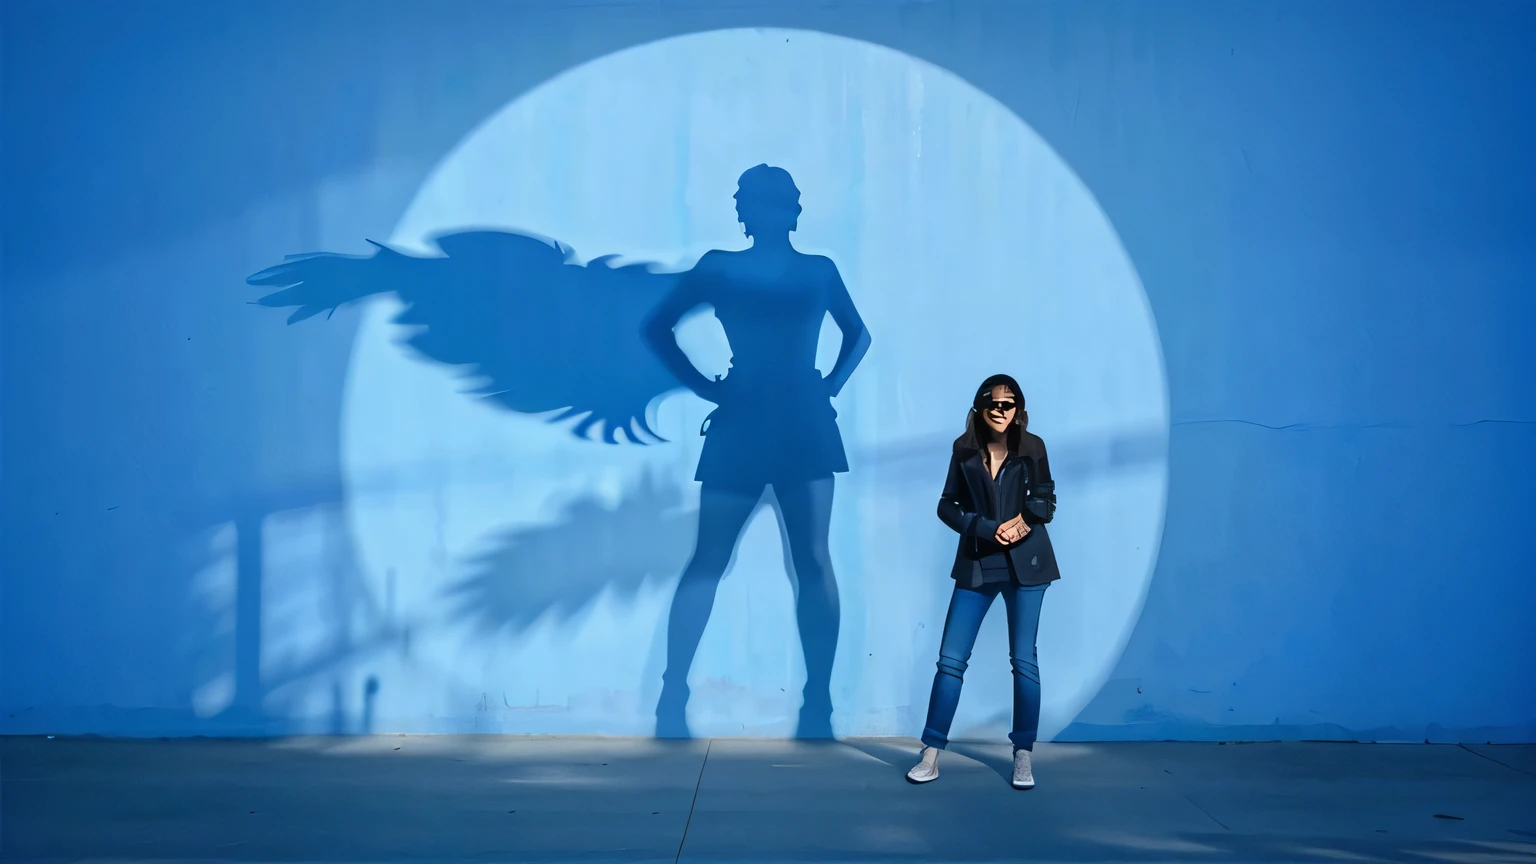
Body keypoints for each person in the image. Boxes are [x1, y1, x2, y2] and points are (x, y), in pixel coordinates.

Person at [641, 164, 872, 739]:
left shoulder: (799, 269)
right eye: (757, 201)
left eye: (770, 201)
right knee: (725, 560)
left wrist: (827, 386)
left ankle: (815, 701)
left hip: (784, 423)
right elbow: (657, 328)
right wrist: (710, 388)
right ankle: (677, 693)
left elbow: (858, 335)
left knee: (805, 561)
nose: (763, 211)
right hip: (765, 422)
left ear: (788, 208)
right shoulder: (734, 267)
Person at [907, 374, 1060, 789]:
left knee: (1023, 661)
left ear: (1018, 410)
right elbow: (946, 504)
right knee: (950, 660)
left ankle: (1023, 754)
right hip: (978, 562)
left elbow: (1046, 498)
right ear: (979, 407)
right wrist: (983, 527)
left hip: (1027, 564)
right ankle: (932, 751)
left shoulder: (1033, 448)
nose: (1000, 410)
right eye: (992, 403)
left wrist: (1023, 522)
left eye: (1009, 404)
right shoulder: (964, 450)